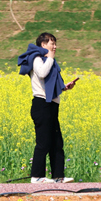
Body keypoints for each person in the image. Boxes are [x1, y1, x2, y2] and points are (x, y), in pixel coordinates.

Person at [17, 33, 77, 183]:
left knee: (56, 142)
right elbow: (42, 73)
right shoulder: (37, 58)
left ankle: (58, 177)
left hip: (52, 105)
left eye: (55, 44)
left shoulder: (50, 61)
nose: (55, 47)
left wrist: (64, 87)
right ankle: (37, 177)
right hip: (41, 104)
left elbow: (50, 84)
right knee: (43, 142)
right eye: (52, 43)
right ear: (43, 45)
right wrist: (50, 57)